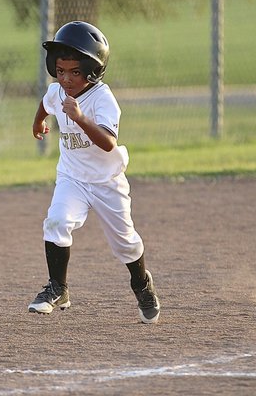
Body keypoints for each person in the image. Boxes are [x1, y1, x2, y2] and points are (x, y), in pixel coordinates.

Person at [28, 21, 160, 324]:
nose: (66, 79)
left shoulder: (102, 99)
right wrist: (38, 123)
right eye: (60, 71)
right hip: (72, 178)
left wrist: (80, 117)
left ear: (91, 70)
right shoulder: (57, 91)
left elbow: (107, 142)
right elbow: (46, 104)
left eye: (75, 72)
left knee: (125, 242)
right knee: (57, 220)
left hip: (106, 183)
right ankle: (58, 288)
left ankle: (141, 284)